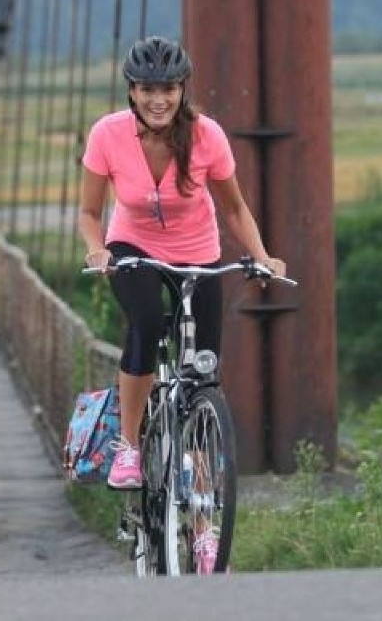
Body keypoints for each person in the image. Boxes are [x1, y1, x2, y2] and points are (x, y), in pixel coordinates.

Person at [78, 36, 285, 571]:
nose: (158, 98)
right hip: (132, 249)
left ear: (181, 89)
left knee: (202, 379)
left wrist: (261, 256)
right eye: (147, 88)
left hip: (198, 252)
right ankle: (128, 445)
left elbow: (235, 208)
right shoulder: (108, 135)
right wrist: (97, 249)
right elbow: (88, 210)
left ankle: (202, 526)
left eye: (167, 88)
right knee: (146, 324)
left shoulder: (206, 136)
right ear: (132, 90)